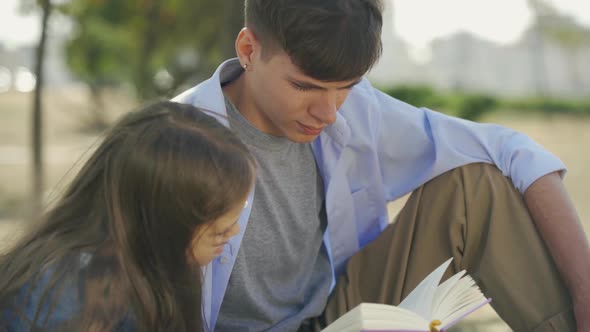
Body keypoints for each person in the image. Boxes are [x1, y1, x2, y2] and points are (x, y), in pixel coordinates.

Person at [175, 1, 590, 331]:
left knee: (476, 185)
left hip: (339, 318)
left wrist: (585, 289)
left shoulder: (355, 110)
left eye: (345, 87)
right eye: (305, 86)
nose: (328, 112)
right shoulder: (173, 139)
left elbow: (512, 150)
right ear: (249, 50)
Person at [0, 101, 256, 331]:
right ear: (164, 219)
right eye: (219, 231)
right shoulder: (60, 294)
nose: (233, 232)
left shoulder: (154, 265)